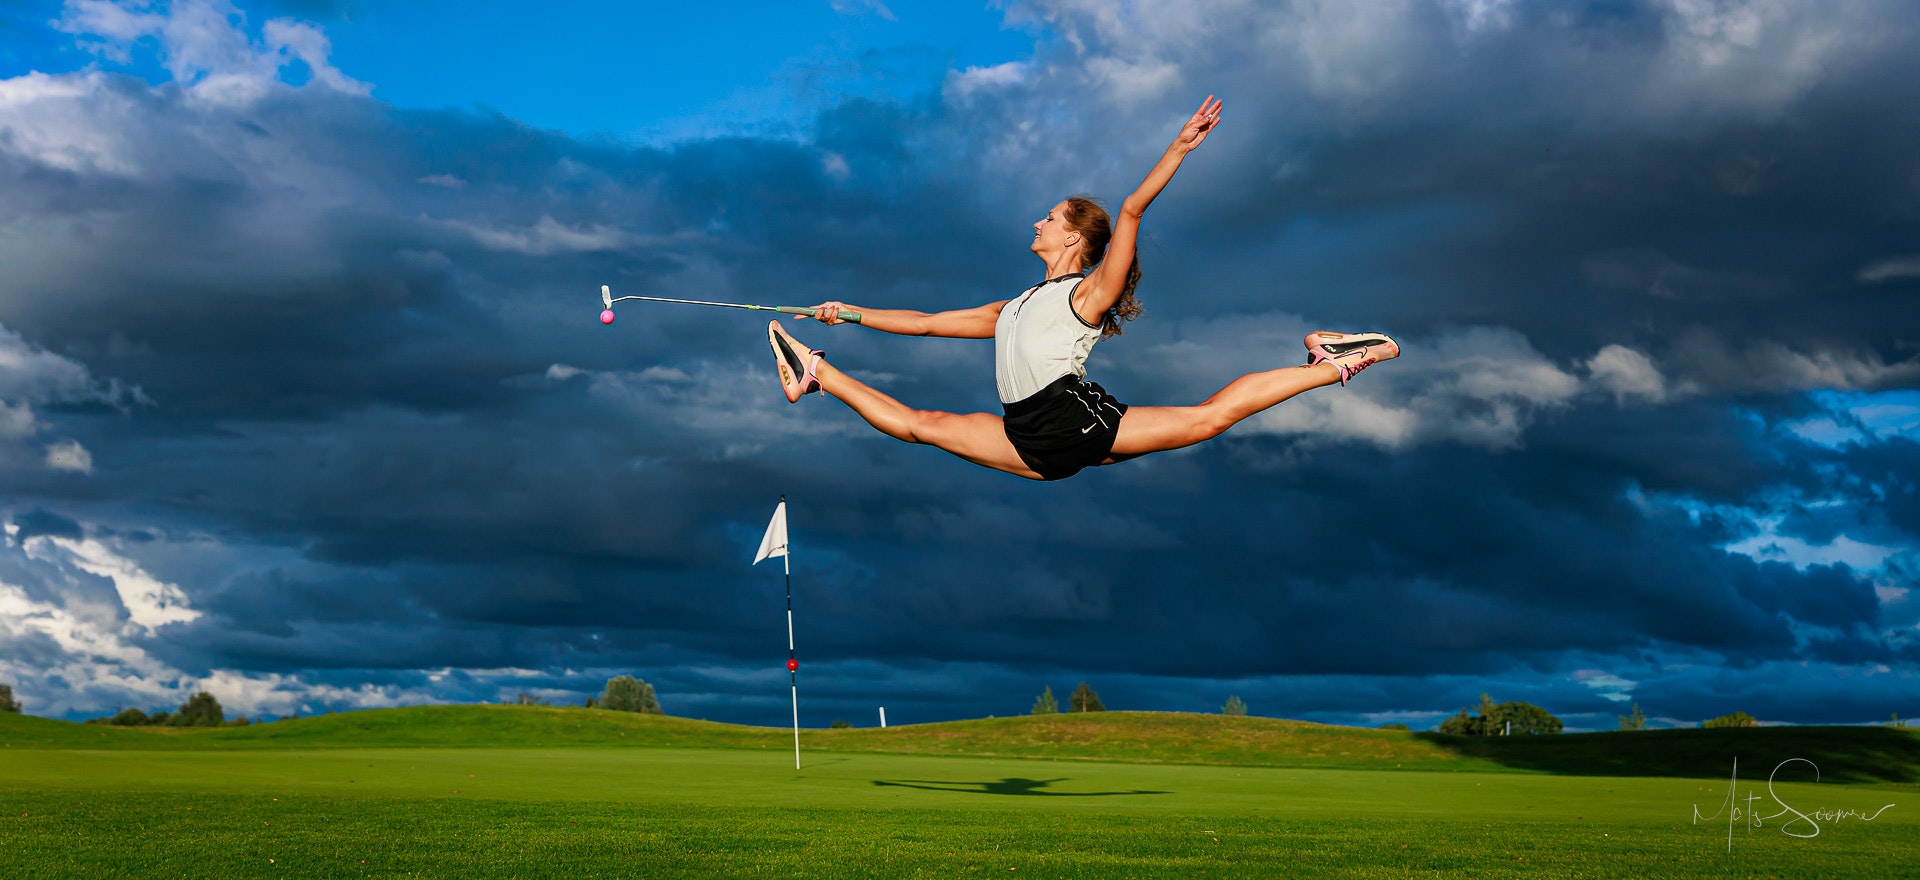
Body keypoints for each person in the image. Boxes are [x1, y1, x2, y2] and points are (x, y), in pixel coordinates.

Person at [766, 95, 1399, 481]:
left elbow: (1130, 211)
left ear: (1073, 239)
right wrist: (846, 313)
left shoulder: (1086, 295)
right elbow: (928, 322)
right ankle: (816, 372)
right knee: (921, 424)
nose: (1038, 221)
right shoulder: (1012, 307)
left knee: (1208, 418)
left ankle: (1331, 360)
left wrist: (1179, 148)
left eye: (1050, 216)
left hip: (1070, 420)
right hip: (1030, 437)